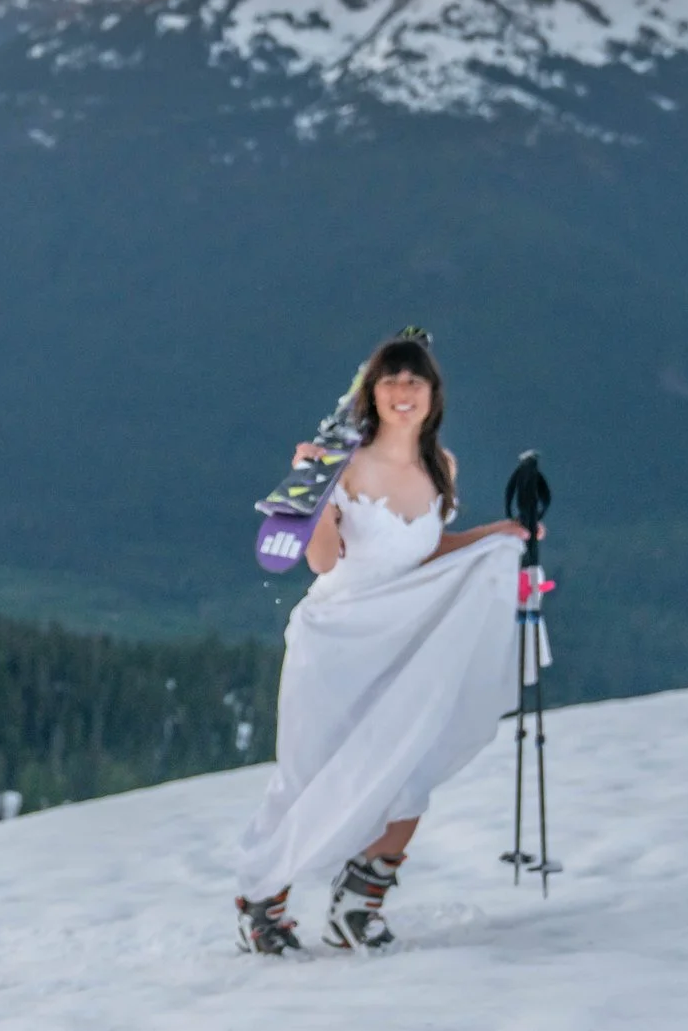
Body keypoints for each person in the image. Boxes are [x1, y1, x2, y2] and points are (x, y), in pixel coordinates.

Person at [227, 332, 536, 955]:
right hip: (336, 640)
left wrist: (493, 537)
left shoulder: (440, 469)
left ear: (432, 396)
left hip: (405, 636)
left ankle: (357, 904)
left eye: (413, 382)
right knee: (308, 773)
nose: (402, 393)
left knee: (408, 765)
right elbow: (322, 561)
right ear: (371, 393)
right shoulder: (341, 464)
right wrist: (312, 495)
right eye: (390, 381)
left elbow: (422, 550)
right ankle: (262, 903)